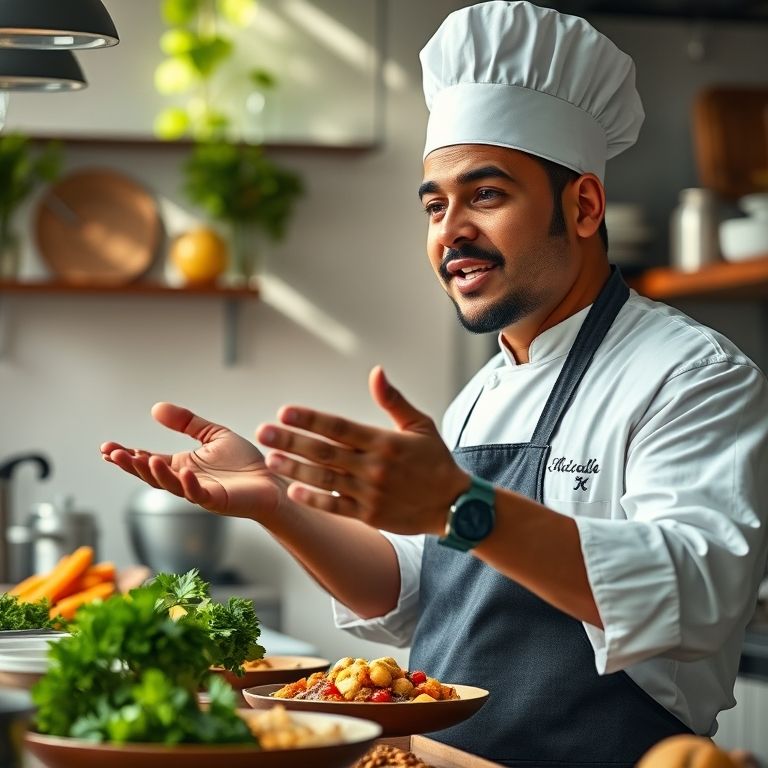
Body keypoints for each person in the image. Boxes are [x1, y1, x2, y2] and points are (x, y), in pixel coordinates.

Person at [101, 2, 768, 766]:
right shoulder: (481, 394)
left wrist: (461, 504)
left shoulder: (689, 375)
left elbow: (692, 593)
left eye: (485, 195)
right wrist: (275, 503)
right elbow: (410, 593)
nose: (450, 231)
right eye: (434, 205)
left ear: (583, 206)